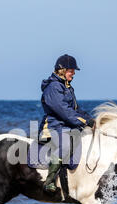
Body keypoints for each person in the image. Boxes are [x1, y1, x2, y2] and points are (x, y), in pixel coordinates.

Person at [38, 54, 95, 193]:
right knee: (66, 143)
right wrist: (82, 122)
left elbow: (75, 110)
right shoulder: (54, 87)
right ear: (62, 70)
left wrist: (90, 119)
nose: (74, 73)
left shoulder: (67, 87)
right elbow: (64, 112)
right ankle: (49, 181)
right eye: (71, 70)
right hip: (53, 126)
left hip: (65, 124)